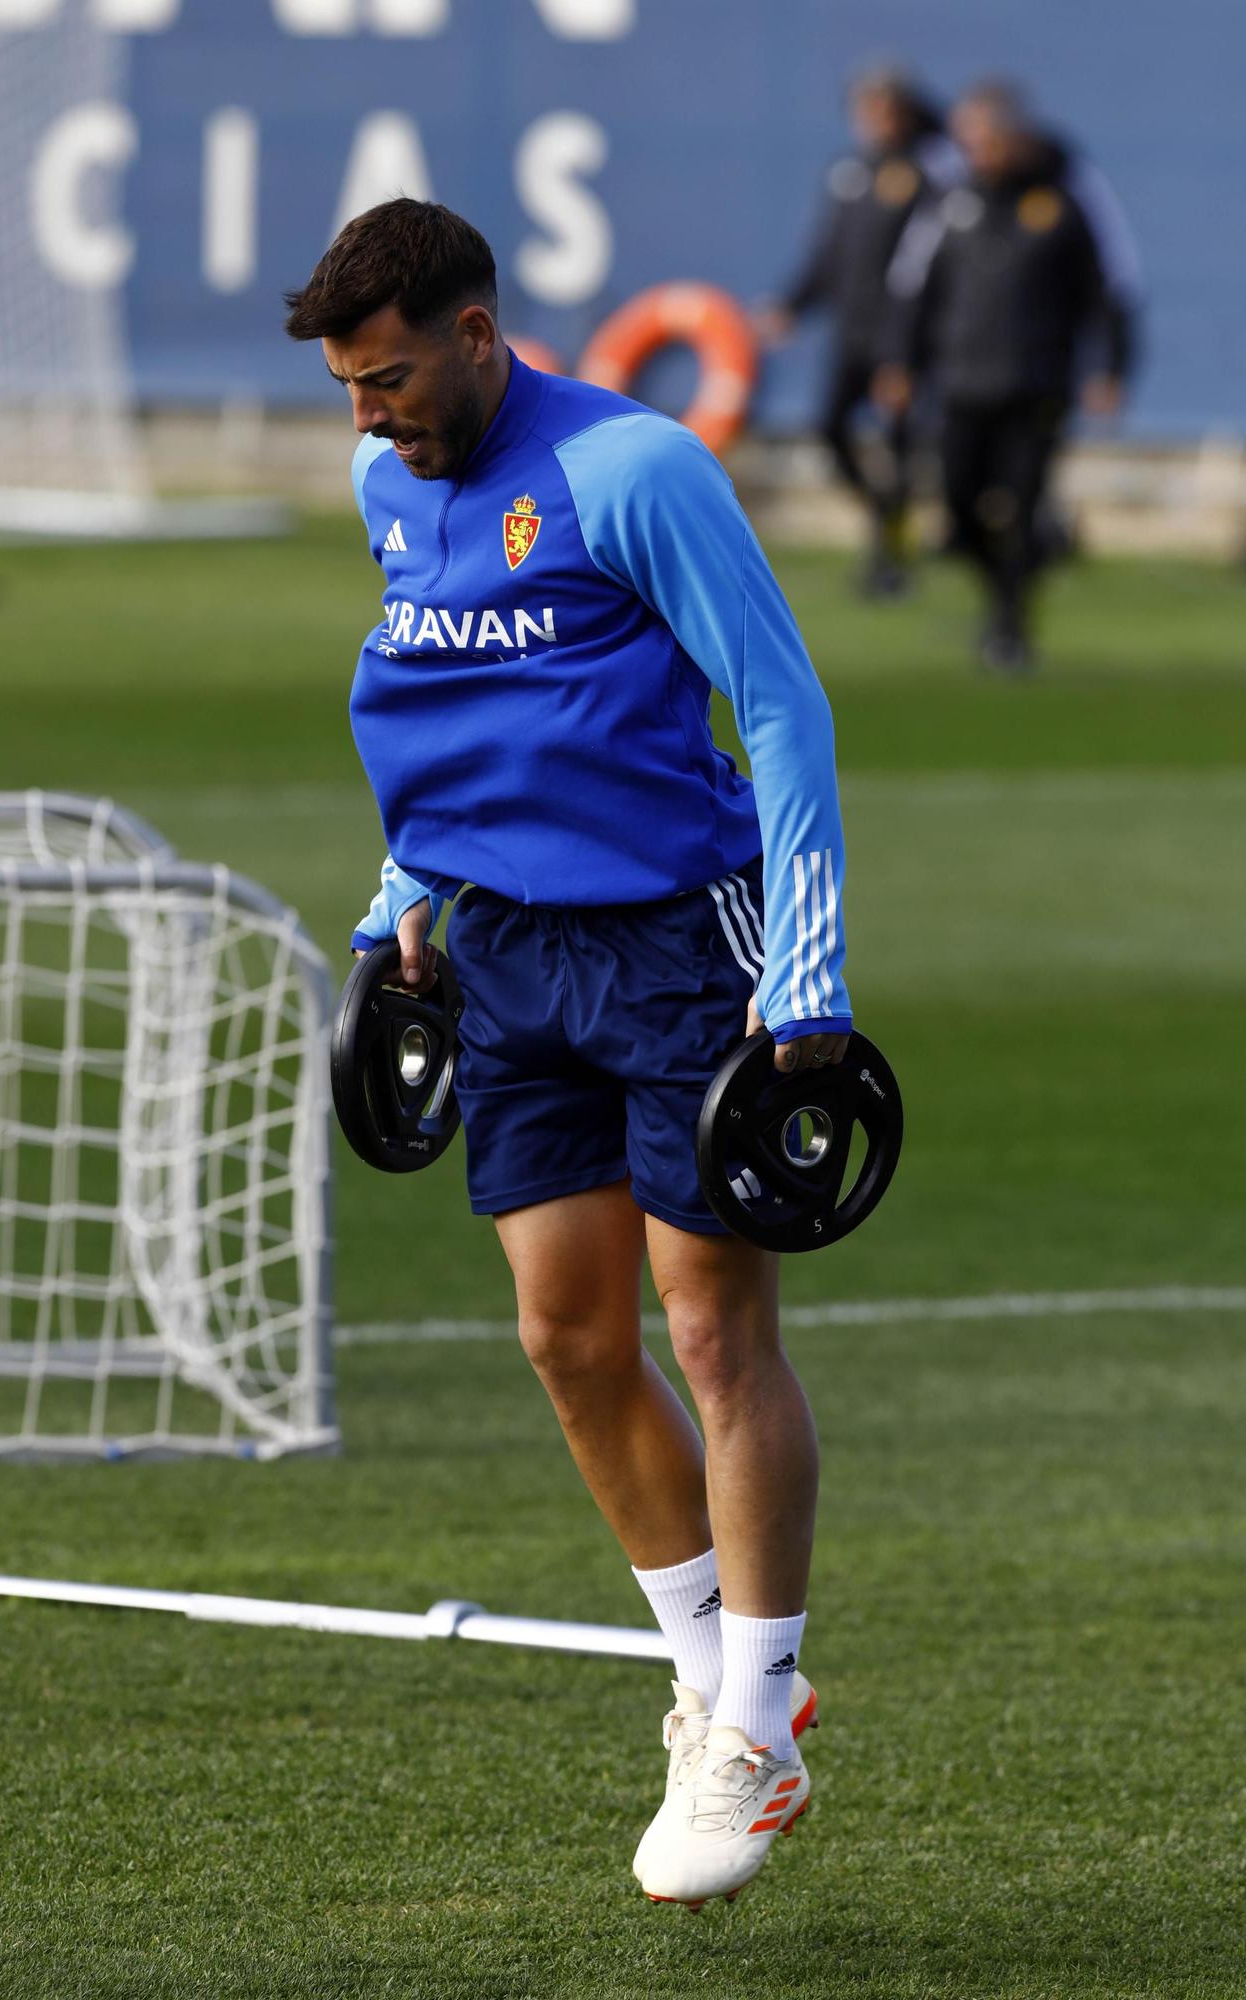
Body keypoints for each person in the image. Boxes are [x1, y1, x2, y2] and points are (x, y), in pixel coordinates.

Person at [285, 199, 853, 1909]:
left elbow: (778, 704)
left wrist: (808, 959)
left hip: (681, 945)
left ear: (475, 333)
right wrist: (407, 889)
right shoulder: (393, 488)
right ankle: (709, 1669)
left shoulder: (634, 469)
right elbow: (464, 713)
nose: (365, 417)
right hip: (505, 958)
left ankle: (755, 1721)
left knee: (710, 1326)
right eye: (345, 387)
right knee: (565, 1335)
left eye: (385, 379)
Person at [875, 80, 1139, 669]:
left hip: (1037, 383)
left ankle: (1010, 626)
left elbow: (1110, 292)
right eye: (971, 141)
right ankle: (1011, 580)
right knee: (958, 509)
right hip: (962, 383)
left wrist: (1111, 369)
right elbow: (912, 291)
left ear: (1016, 138)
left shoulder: (1062, 201)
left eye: (991, 140)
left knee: (1020, 504)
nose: (981, 152)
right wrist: (900, 363)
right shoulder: (948, 204)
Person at [759, 63, 959, 597]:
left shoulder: (931, 173)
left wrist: (905, 352)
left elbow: (924, 270)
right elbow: (831, 253)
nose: (871, 122)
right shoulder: (852, 171)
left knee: (899, 442)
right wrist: (792, 305)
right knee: (831, 427)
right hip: (853, 331)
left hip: (906, 338)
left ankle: (889, 556)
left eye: (882, 110)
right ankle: (883, 518)